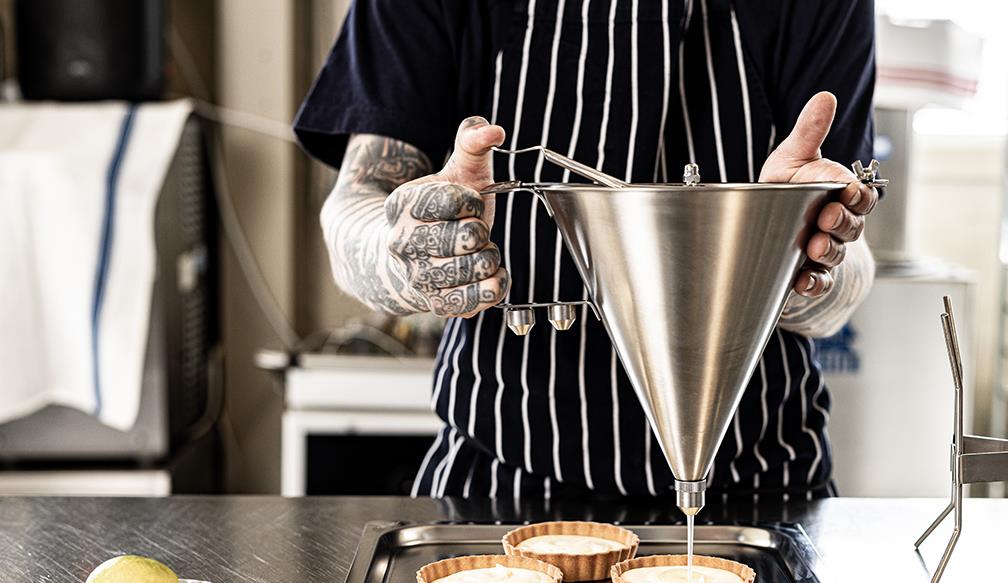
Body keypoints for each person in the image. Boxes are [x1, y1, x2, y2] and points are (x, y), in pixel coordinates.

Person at [295, 0, 879, 502]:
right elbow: (355, 206)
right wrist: (401, 255)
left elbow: (848, 277)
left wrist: (784, 251)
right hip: (498, 490)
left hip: (762, 488)